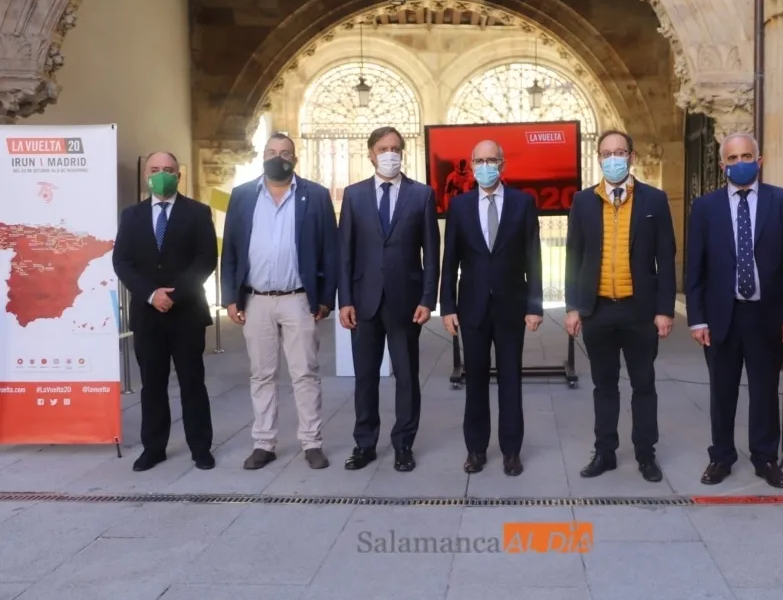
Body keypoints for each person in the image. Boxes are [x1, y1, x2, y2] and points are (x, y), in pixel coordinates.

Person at [685, 131, 783, 489]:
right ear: (723, 164)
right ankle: (721, 457)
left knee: (766, 390)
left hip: (767, 315)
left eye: (746, 156)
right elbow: (695, 268)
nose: (740, 164)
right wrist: (697, 319)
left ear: (760, 159)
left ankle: (765, 458)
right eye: (733, 158)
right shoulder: (705, 208)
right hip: (722, 315)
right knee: (721, 391)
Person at [220, 133, 337, 470]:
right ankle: (264, 443)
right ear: (262, 156)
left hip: (298, 300)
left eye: (285, 153)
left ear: (295, 158)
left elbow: (330, 249)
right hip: (256, 300)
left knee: (305, 373)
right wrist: (230, 297)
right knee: (261, 374)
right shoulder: (243, 196)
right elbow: (230, 250)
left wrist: (326, 298)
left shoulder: (314, 195)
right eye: (272, 152)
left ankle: (312, 442)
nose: (278, 157)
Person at [564, 130, 676, 482]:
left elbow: (666, 259)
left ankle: (646, 454)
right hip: (598, 310)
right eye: (607, 153)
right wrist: (572, 306)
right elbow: (574, 257)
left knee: (643, 383)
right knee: (604, 385)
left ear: (631, 156)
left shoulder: (654, 201)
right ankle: (605, 452)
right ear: (598, 158)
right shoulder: (583, 202)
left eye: (620, 152)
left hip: (639, 310)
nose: (613, 158)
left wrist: (665, 310)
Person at [338, 126, 440, 472]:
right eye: (383, 148)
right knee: (365, 377)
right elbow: (345, 254)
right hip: (364, 302)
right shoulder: (353, 196)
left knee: (407, 376)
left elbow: (432, 253)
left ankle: (403, 444)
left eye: (396, 148)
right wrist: (345, 300)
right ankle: (364, 443)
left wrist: (428, 299)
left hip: (406, 303)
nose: (390, 153)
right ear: (370, 154)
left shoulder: (422, 195)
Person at [440, 140, 543, 476]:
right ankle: (476, 449)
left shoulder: (523, 203)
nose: (485, 166)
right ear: (471, 165)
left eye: (491, 160)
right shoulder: (460, 206)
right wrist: (448, 306)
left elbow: (533, 257)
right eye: (479, 161)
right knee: (476, 381)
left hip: (512, 307)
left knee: (511, 380)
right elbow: (450, 260)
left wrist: (535, 306)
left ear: (503, 163)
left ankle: (511, 450)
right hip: (472, 308)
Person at [112, 151, 217, 472]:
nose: (162, 174)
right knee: (152, 385)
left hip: (186, 313)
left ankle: (200, 448)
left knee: (192, 383)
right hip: (147, 316)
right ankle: (154, 447)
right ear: (147, 175)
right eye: (156, 169)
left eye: (168, 170)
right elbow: (122, 262)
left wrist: (175, 293)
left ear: (179, 175)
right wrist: (150, 294)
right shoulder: (131, 216)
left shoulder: (198, 213)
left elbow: (206, 258)